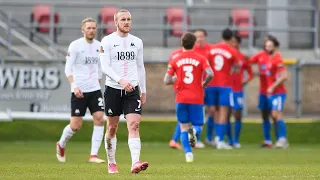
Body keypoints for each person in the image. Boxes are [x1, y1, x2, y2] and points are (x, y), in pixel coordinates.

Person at [99, 9, 148, 174]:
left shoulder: (137, 42)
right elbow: (105, 67)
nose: (127, 22)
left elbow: (140, 67)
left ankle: (135, 162)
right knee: (112, 128)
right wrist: (121, 80)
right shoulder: (107, 41)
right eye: (123, 19)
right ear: (115, 22)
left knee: (134, 125)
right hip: (113, 89)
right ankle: (111, 162)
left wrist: (144, 90)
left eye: (129, 19)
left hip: (132, 90)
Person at [56, 18, 105, 163]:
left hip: (94, 89)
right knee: (76, 126)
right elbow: (68, 68)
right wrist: (74, 86)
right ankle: (61, 143)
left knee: (100, 119)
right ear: (82, 30)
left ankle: (93, 155)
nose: (91, 30)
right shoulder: (75, 45)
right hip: (79, 90)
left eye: (94, 28)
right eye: (89, 28)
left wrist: (99, 80)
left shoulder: (99, 46)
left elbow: (100, 66)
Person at [164, 32, 213, 162]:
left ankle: (188, 154)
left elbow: (166, 80)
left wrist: (176, 78)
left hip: (181, 97)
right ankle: (195, 132)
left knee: (183, 126)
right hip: (197, 97)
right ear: (194, 43)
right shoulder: (201, 58)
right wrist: (204, 84)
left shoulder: (175, 59)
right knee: (198, 125)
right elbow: (210, 73)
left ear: (182, 43)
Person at [206, 28, 239, 150]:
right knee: (224, 112)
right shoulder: (233, 51)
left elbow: (207, 64)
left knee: (213, 111)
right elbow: (236, 69)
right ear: (231, 38)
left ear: (221, 36)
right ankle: (219, 139)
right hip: (224, 85)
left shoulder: (212, 49)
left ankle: (212, 137)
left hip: (211, 84)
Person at [249, 35, 277, 148]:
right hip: (263, 91)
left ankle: (280, 138)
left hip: (274, 92)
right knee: (264, 115)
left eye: (269, 44)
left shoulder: (276, 57)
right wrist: (254, 73)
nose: (267, 46)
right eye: (266, 44)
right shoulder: (260, 55)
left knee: (275, 115)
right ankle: (267, 140)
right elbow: (248, 62)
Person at [226, 35, 253, 148]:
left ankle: (236, 140)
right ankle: (229, 140)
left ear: (238, 44)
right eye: (230, 42)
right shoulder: (225, 56)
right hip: (226, 90)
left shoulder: (242, 57)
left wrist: (246, 80)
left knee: (237, 115)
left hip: (237, 91)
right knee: (226, 115)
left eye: (234, 42)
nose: (232, 44)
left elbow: (250, 72)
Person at [264, 37, 289, 148]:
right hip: (272, 93)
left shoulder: (278, 59)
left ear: (275, 46)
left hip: (278, 92)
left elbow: (284, 76)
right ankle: (280, 138)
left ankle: (283, 139)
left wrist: (272, 86)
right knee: (274, 116)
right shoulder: (269, 58)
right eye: (266, 46)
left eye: (270, 46)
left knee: (276, 114)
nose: (268, 48)